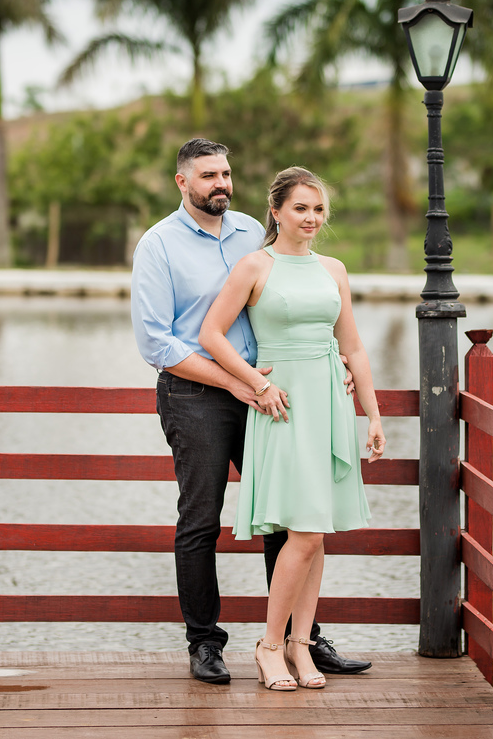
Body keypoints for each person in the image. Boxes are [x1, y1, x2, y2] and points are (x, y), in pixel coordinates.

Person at [131, 140, 371, 685]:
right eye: (208, 174)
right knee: (200, 520)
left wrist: (335, 364)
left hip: (272, 393)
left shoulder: (250, 232)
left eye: (227, 172)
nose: (221, 182)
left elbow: (297, 296)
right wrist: (239, 382)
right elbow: (156, 343)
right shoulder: (158, 245)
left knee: (291, 516)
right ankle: (205, 643)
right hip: (197, 394)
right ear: (181, 182)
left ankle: (297, 640)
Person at [199, 166, 385, 691]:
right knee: (302, 532)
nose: (311, 218)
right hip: (283, 406)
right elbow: (211, 333)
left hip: (328, 402)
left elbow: (352, 347)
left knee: (316, 531)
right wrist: (256, 382)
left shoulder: (334, 269)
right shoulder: (255, 265)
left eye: (318, 209)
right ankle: (269, 646)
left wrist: (371, 413)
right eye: (300, 208)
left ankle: (303, 648)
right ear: (276, 210)